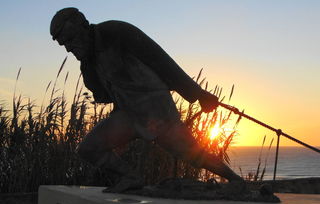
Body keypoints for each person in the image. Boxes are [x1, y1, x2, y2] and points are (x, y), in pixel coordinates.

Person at [50, 7, 247, 193]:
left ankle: (237, 181)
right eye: (64, 44)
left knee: (193, 155)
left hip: (156, 112)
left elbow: (161, 60)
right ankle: (131, 177)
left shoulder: (116, 32)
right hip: (128, 115)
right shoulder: (89, 59)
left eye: (70, 40)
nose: (68, 49)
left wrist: (198, 94)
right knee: (89, 148)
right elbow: (102, 94)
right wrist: (88, 64)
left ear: (83, 26)